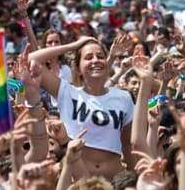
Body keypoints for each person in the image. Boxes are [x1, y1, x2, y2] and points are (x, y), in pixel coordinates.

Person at [29, 36, 134, 178]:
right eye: (88, 57)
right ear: (77, 69)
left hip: (114, 180)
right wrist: (73, 46)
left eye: (100, 57)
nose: (95, 60)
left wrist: (133, 178)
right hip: (76, 179)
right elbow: (31, 60)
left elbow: (127, 145)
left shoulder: (124, 97)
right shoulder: (67, 92)